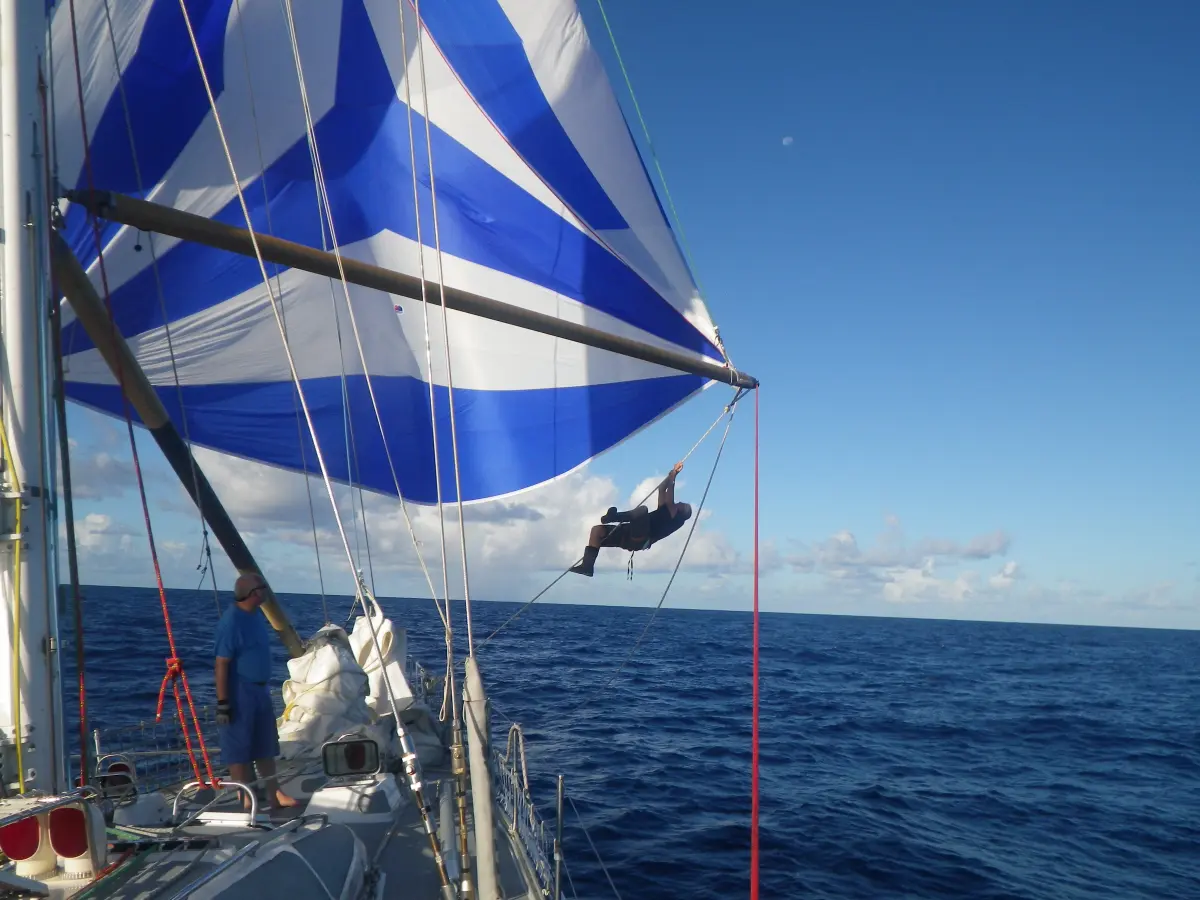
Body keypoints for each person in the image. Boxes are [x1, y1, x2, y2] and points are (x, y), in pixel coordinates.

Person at [214, 573, 298, 812]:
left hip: (260, 690)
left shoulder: (255, 616)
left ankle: (274, 794)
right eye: (262, 588)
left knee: (264, 745)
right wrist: (223, 703)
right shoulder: (231, 622)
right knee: (239, 748)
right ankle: (246, 799)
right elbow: (221, 664)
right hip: (239, 691)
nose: (266, 591)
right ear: (254, 594)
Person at [570, 462, 693, 577]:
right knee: (597, 531)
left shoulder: (675, 519)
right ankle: (587, 566)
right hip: (629, 536)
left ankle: (613, 517)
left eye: (683, 504)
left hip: (642, 537)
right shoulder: (665, 511)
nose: (680, 502)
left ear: (681, 512)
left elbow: (670, 491)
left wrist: (674, 475)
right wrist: (671, 473)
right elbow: (662, 489)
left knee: (642, 511)